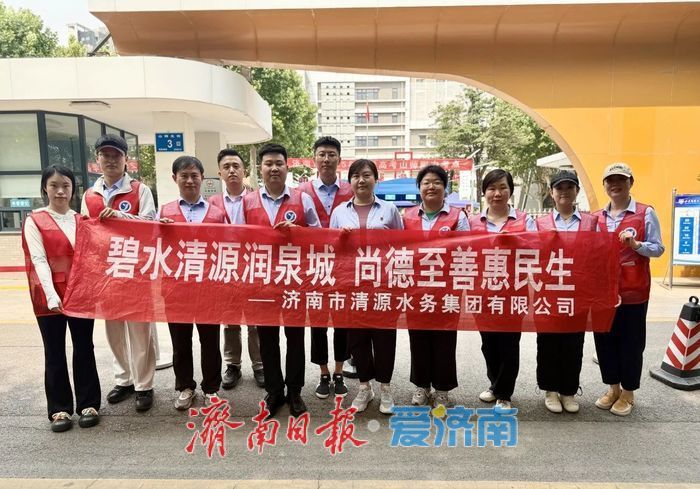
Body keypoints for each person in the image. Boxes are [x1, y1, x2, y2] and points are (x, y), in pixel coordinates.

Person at [239, 143, 322, 417]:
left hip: (293, 280)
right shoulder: (247, 202)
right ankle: (274, 391)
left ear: (287, 167)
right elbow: (237, 239)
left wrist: (298, 231)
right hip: (261, 282)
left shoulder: (302, 199)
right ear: (260, 168)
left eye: (279, 163)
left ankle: (295, 391)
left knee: (295, 337)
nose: (274, 168)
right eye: (268, 164)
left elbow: (319, 236)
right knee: (267, 338)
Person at [81, 134, 158, 412]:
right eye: (106, 155)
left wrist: (120, 216)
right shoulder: (89, 195)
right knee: (114, 330)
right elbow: (85, 232)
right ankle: (124, 379)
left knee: (140, 331)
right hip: (107, 274)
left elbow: (151, 224)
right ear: (97, 159)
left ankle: (144, 385)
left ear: (126, 160)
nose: (111, 160)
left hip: (135, 271)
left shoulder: (140, 190)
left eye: (117, 155)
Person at [22, 165, 101, 432]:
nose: (60, 191)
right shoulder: (35, 220)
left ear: (72, 189)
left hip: (81, 294)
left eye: (66, 185)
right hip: (48, 297)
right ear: (45, 188)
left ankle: (89, 404)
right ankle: (60, 409)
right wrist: (52, 295)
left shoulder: (81, 220)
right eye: (54, 185)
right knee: (54, 351)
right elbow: (38, 260)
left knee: (84, 347)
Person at [329, 159, 404, 414]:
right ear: (349, 181)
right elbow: (331, 249)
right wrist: (340, 239)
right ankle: (364, 387)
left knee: (384, 338)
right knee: (357, 339)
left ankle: (385, 388)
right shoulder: (339, 212)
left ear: (375, 179)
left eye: (366, 175)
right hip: (352, 285)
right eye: (356, 176)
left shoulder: (390, 210)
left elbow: (402, 245)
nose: (361, 180)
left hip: (383, 284)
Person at [592, 162, 664, 416]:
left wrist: (636, 245)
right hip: (603, 294)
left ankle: (628, 392)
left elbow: (658, 248)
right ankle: (613, 388)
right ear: (604, 185)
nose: (615, 185)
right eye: (610, 180)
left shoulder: (645, 213)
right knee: (605, 341)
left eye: (621, 179)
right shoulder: (596, 217)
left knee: (631, 343)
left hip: (634, 291)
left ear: (630, 183)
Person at [158, 155, 228, 410]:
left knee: (210, 341)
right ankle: (185, 386)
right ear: (174, 178)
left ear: (202, 178)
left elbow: (226, 248)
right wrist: (159, 229)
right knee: (180, 341)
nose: (189, 180)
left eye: (194, 176)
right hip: (176, 288)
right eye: (184, 176)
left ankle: (211, 388)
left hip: (208, 288)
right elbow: (154, 245)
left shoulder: (217, 213)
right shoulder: (164, 212)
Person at [469, 169, 537, 412]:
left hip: (512, 293)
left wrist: (517, 241)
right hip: (482, 292)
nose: (497, 193)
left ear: (510, 191)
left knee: (509, 343)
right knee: (488, 344)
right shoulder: (472, 222)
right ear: (484, 192)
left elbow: (537, 247)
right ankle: (495, 385)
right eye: (491, 188)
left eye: (502, 188)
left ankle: (505, 394)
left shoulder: (524, 220)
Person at [402, 165, 468, 408]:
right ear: (419, 188)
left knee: (444, 340)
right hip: (415, 289)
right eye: (426, 182)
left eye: (437, 182)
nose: (431, 187)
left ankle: (442, 389)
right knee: (418, 338)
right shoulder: (407, 216)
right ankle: (421, 386)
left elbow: (466, 249)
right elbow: (400, 249)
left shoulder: (458, 217)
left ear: (445, 187)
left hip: (446, 289)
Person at [535, 170, 599, 414]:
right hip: (548, 292)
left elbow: (599, 256)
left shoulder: (591, 222)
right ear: (552, 193)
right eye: (559, 188)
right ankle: (550, 390)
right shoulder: (540, 223)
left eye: (569, 187)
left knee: (574, 343)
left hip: (577, 293)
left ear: (577, 191)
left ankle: (569, 391)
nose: (564, 192)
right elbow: (530, 255)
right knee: (548, 342)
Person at [298, 136, 354, 400]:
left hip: (344, 265)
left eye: (332, 154)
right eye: (322, 154)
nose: (327, 159)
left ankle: (340, 370)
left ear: (339, 159)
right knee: (318, 321)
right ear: (314, 159)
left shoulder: (351, 189)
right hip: (315, 266)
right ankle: (323, 372)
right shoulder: (301, 192)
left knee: (343, 320)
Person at [208, 148, 265, 390]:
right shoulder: (212, 203)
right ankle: (233, 365)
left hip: (253, 267)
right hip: (227, 268)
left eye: (236, 166)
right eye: (226, 167)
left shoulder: (258, 199)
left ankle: (260, 365)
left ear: (245, 171)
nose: (232, 170)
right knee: (230, 320)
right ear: (219, 172)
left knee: (256, 320)